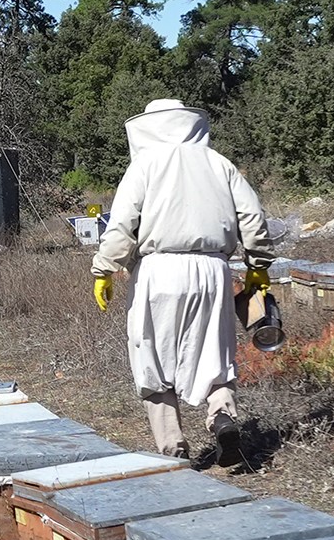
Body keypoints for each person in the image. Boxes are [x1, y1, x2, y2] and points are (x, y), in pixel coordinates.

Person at [91, 98, 269, 462]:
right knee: (214, 354)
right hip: (214, 271)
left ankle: (174, 448)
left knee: (152, 358)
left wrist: (104, 268)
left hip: (159, 271)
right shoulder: (220, 163)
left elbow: (122, 223)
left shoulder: (145, 164)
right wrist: (258, 264)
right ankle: (222, 415)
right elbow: (252, 217)